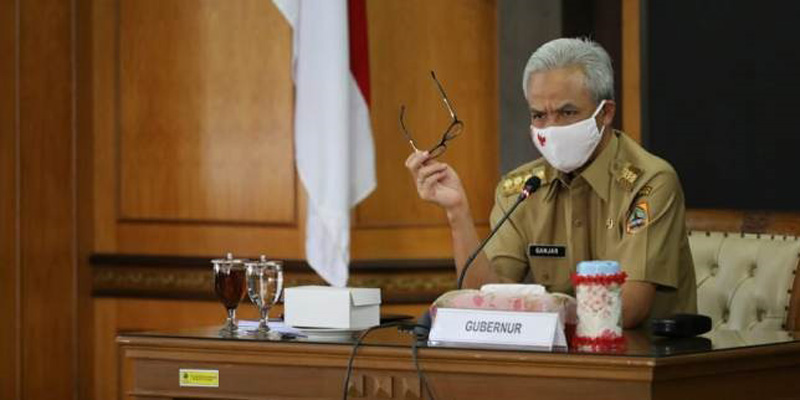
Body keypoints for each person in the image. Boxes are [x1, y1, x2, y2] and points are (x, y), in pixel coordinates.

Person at [405, 37, 697, 329]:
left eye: (567, 113)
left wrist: (547, 308)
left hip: (639, 351)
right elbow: (485, 297)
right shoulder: (522, 189)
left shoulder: (650, 182)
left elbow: (630, 308)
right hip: (555, 350)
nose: (551, 127)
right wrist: (457, 212)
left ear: (606, 113)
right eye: (539, 115)